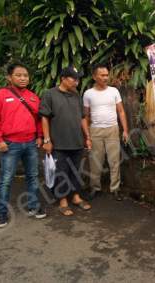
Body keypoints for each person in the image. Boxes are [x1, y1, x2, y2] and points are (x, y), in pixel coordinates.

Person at [0, 62, 47, 228]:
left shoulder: (33, 97)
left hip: (31, 143)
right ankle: (2, 214)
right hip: (10, 144)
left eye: (25, 75)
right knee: (6, 180)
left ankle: (33, 206)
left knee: (33, 176)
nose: (22, 78)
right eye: (18, 75)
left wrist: (40, 136)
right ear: (9, 77)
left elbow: (39, 120)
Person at [39, 66, 92, 216]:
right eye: (73, 79)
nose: (76, 82)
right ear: (63, 78)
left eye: (78, 79)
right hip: (58, 143)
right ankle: (62, 200)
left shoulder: (76, 96)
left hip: (76, 141)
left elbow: (83, 118)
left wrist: (87, 137)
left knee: (75, 171)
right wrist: (47, 140)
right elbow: (44, 118)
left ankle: (75, 197)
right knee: (61, 172)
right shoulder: (50, 94)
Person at [83, 64, 129, 201]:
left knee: (114, 161)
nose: (105, 77)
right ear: (94, 76)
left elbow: (120, 111)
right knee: (95, 161)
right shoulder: (88, 94)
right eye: (102, 75)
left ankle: (115, 189)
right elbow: (85, 116)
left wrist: (125, 130)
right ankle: (95, 188)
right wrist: (87, 135)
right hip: (95, 130)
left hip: (112, 129)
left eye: (106, 75)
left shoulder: (114, 91)